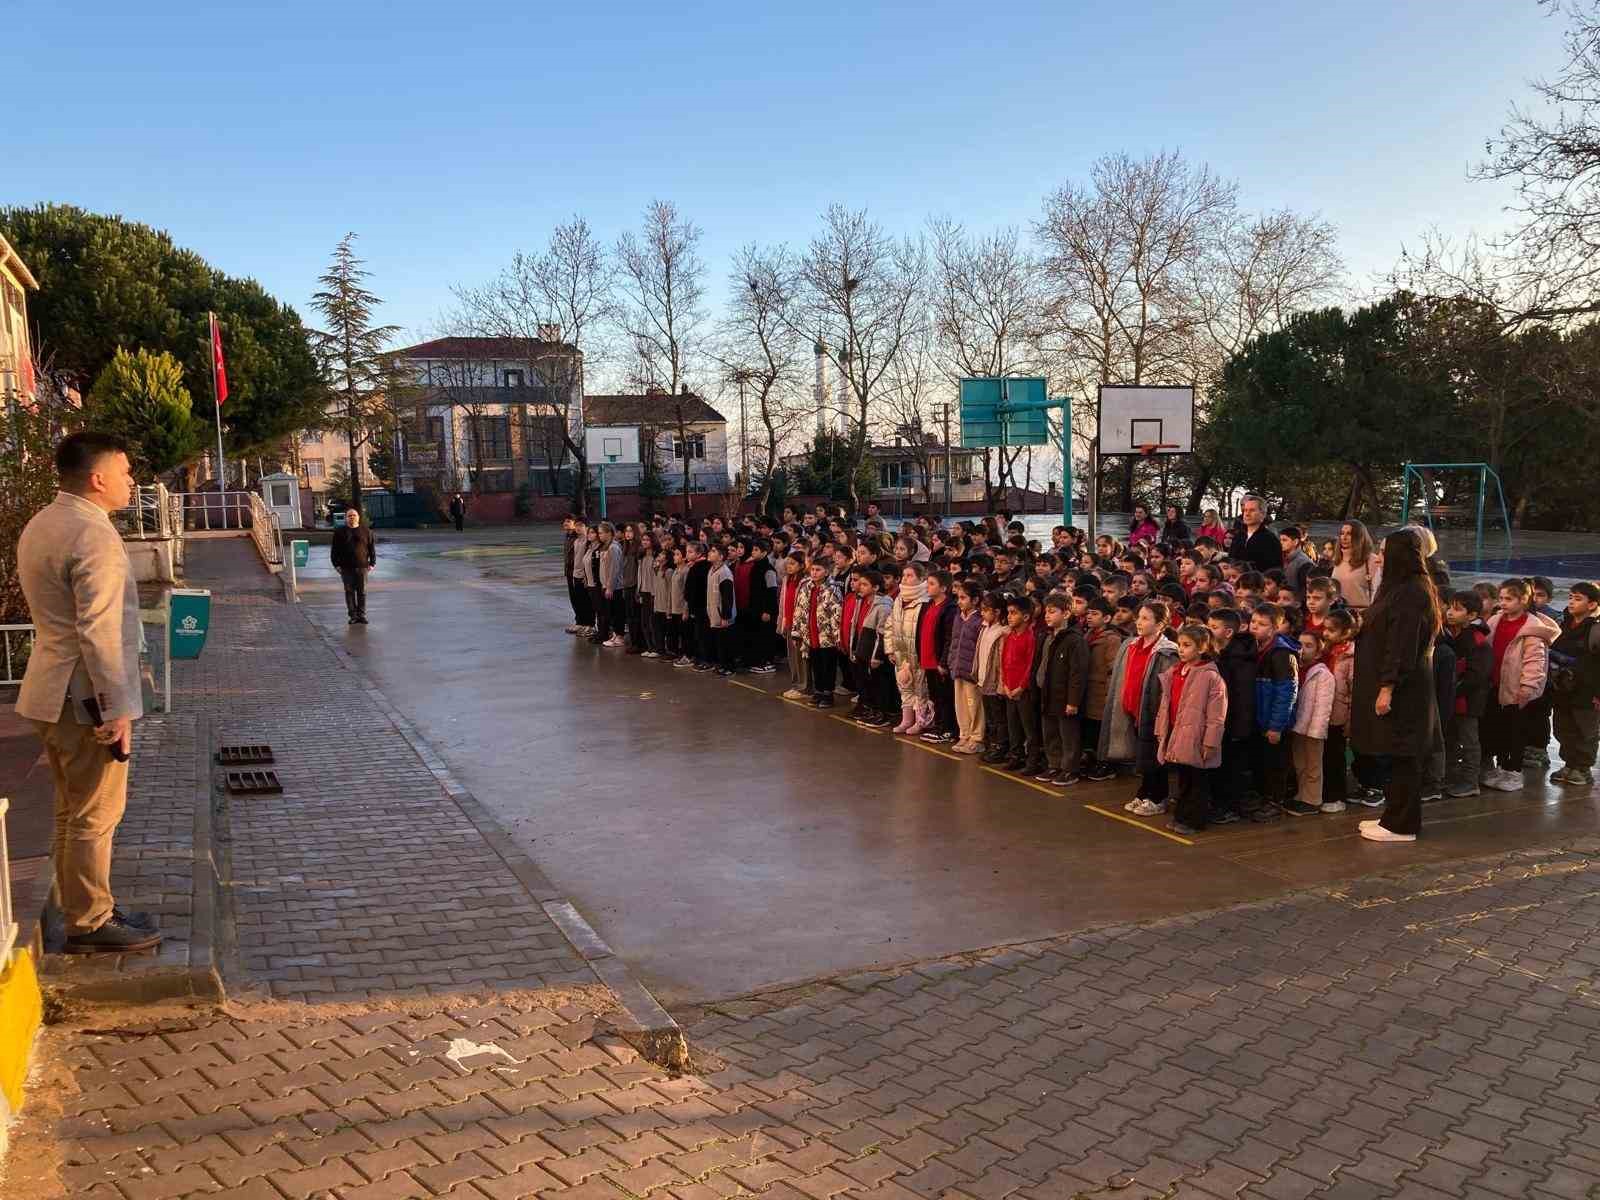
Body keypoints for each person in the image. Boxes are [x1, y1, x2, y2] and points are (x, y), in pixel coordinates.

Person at [16, 432, 162, 953]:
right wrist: (117, 707)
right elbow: (98, 631)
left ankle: (82, 905)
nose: (131, 481)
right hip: (84, 700)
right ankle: (90, 923)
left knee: (70, 811)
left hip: (49, 690)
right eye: (124, 471)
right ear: (98, 479)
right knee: (96, 814)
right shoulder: (92, 534)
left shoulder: (44, 522)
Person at [1350, 531, 1444, 843]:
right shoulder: (1397, 588)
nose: (1378, 557)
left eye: (1384, 552)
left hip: (1405, 689)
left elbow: (1402, 645)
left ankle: (1402, 824)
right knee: (1393, 752)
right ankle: (1393, 816)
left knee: (1404, 754)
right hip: (1392, 682)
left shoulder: (1412, 592)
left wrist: (1387, 686)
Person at [1100, 600, 1179, 814]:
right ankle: (1145, 792)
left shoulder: (1167, 652)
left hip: (1153, 713)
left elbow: (1167, 688)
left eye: (1145, 618)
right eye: (1139, 617)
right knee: (1143, 756)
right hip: (1133, 710)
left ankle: (1158, 797)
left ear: (1160, 624)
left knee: (1155, 757)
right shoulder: (1131, 645)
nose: (1139, 622)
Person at [1481, 578, 1559, 791]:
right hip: (1495, 686)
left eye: (1509, 599)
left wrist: (1527, 687)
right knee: (1496, 730)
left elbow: (1535, 661)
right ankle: (1500, 767)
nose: (1503, 603)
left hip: (1516, 690)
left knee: (1515, 732)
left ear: (1523, 600)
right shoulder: (1495, 621)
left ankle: (1513, 771)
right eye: (1501, 598)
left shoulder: (1532, 629)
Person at [1155, 624, 1227, 834]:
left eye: (1187, 645)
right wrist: (1161, 730)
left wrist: (1210, 742)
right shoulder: (1175, 672)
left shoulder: (1211, 677)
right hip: (1177, 734)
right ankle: (1182, 815)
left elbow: (1216, 716)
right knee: (1183, 780)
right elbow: (1166, 704)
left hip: (1197, 737)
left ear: (1202, 648)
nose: (1181, 649)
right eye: (1180, 644)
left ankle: (1195, 819)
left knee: (1198, 782)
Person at [1248, 604, 1300, 821]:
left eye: (1261, 624)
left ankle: (1275, 802)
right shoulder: (1255, 648)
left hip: (1274, 721)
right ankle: (1263, 797)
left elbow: (1287, 692)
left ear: (1276, 627)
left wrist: (1276, 726)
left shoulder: (1281, 653)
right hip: (1260, 717)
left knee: (1276, 764)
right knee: (1262, 762)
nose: (1254, 628)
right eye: (1253, 622)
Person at [1549, 581, 1600, 786]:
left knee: (1585, 731)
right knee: (1563, 728)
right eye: (1570, 597)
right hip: (1563, 688)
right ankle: (1569, 764)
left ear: (1592, 604)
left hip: (1587, 692)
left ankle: (1583, 768)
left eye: (1578, 599)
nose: (1571, 602)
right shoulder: (1563, 623)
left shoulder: (1595, 629)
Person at [1441, 591, 1491, 797]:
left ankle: (1470, 781)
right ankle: (1450, 776)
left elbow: (1476, 676)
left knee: (1469, 740)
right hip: (1453, 698)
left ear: (1471, 615)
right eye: (1450, 608)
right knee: (1450, 737)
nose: (1450, 613)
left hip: (1469, 701)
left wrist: (1453, 691)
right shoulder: (1452, 634)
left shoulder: (1477, 641)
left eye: (1457, 609)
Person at [1036, 592, 1089, 785]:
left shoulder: (1075, 640)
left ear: (1066, 614)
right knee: (1050, 732)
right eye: (1045, 612)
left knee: (1068, 735)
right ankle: (1054, 764)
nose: (1047, 616)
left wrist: (1073, 701)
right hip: (1048, 693)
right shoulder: (1048, 637)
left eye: (1052, 612)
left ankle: (1070, 769)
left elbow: (1078, 673)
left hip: (1065, 696)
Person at [1288, 631, 1334, 816]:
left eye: (1309, 646)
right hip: (1298, 725)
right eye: (1300, 644)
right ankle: (1302, 795)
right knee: (1300, 762)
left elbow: (1323, 706)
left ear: (1317, 652)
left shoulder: (1323, 674)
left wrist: (1317, 730)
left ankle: (1313, 799)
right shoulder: (1296, 669)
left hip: (1313, 729)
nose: (1303, 649)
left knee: (1313, 764)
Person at [887, 564, 932, 735]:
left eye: (910, 575)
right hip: (901, 652)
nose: (905, 578)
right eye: (904, 575)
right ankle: (906, 720)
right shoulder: (899, 599)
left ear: (921, 579)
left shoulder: (925, 601)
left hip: (917, 653)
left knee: (920, 688)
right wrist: (890, 649)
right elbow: (890, 624)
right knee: (904, 686)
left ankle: (921, 721)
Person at [1000, 595, 1042, 775]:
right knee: (1013, 725)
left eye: (1013, 613)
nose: (1009, 616)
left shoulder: (1030, 638)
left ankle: (1033, 760)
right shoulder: (1010, 636)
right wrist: (1006, 684)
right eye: (1008, 613)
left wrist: (1021, 687)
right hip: (1010, 689)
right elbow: (1003, 662)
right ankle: (1015, 756)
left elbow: (1030, 665)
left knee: (1028, 727)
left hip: (1023, 692)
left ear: (1026, 617)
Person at [946, 580, 987, 754]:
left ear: (975, 600)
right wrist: (950, 661)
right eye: (958, 598)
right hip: (958, 668)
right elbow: (953, 642)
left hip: (971, 671)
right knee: (961, 704)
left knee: (974, 705)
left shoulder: (979, 620)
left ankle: (977, 737)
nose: (959, 601)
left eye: (963, 598)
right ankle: (964, 734)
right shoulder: (958, 617)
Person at [331, 507, 377, 624]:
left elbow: (371, 549)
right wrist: (336, 565)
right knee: (349, 592)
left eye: (354, 515)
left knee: (362, 592)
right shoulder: (340, 532)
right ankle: (353, 616)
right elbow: (334, 551)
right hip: (346, 568)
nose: (352, 517)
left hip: (362, 567)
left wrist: (372, 563)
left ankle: (361, 615)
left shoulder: (366, 531)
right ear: (346, 518)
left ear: (358, 517)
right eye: (349, 516)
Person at [1331, 520, 1381, 610]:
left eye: (1349, 534)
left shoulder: (1373, 560)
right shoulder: (1337, 559)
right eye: (1342, 533)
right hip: (1338, 616)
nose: (1344, 537)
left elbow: (1379, 592)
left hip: (1362, 616)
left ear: (1359, 537)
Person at [1229, 495, 1282, 574]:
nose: (1247, 514)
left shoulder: (1270, 540)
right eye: (1245, 510)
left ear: (1262, 514)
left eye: (1252, 510)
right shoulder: (1238, 536)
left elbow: (1274, 570)